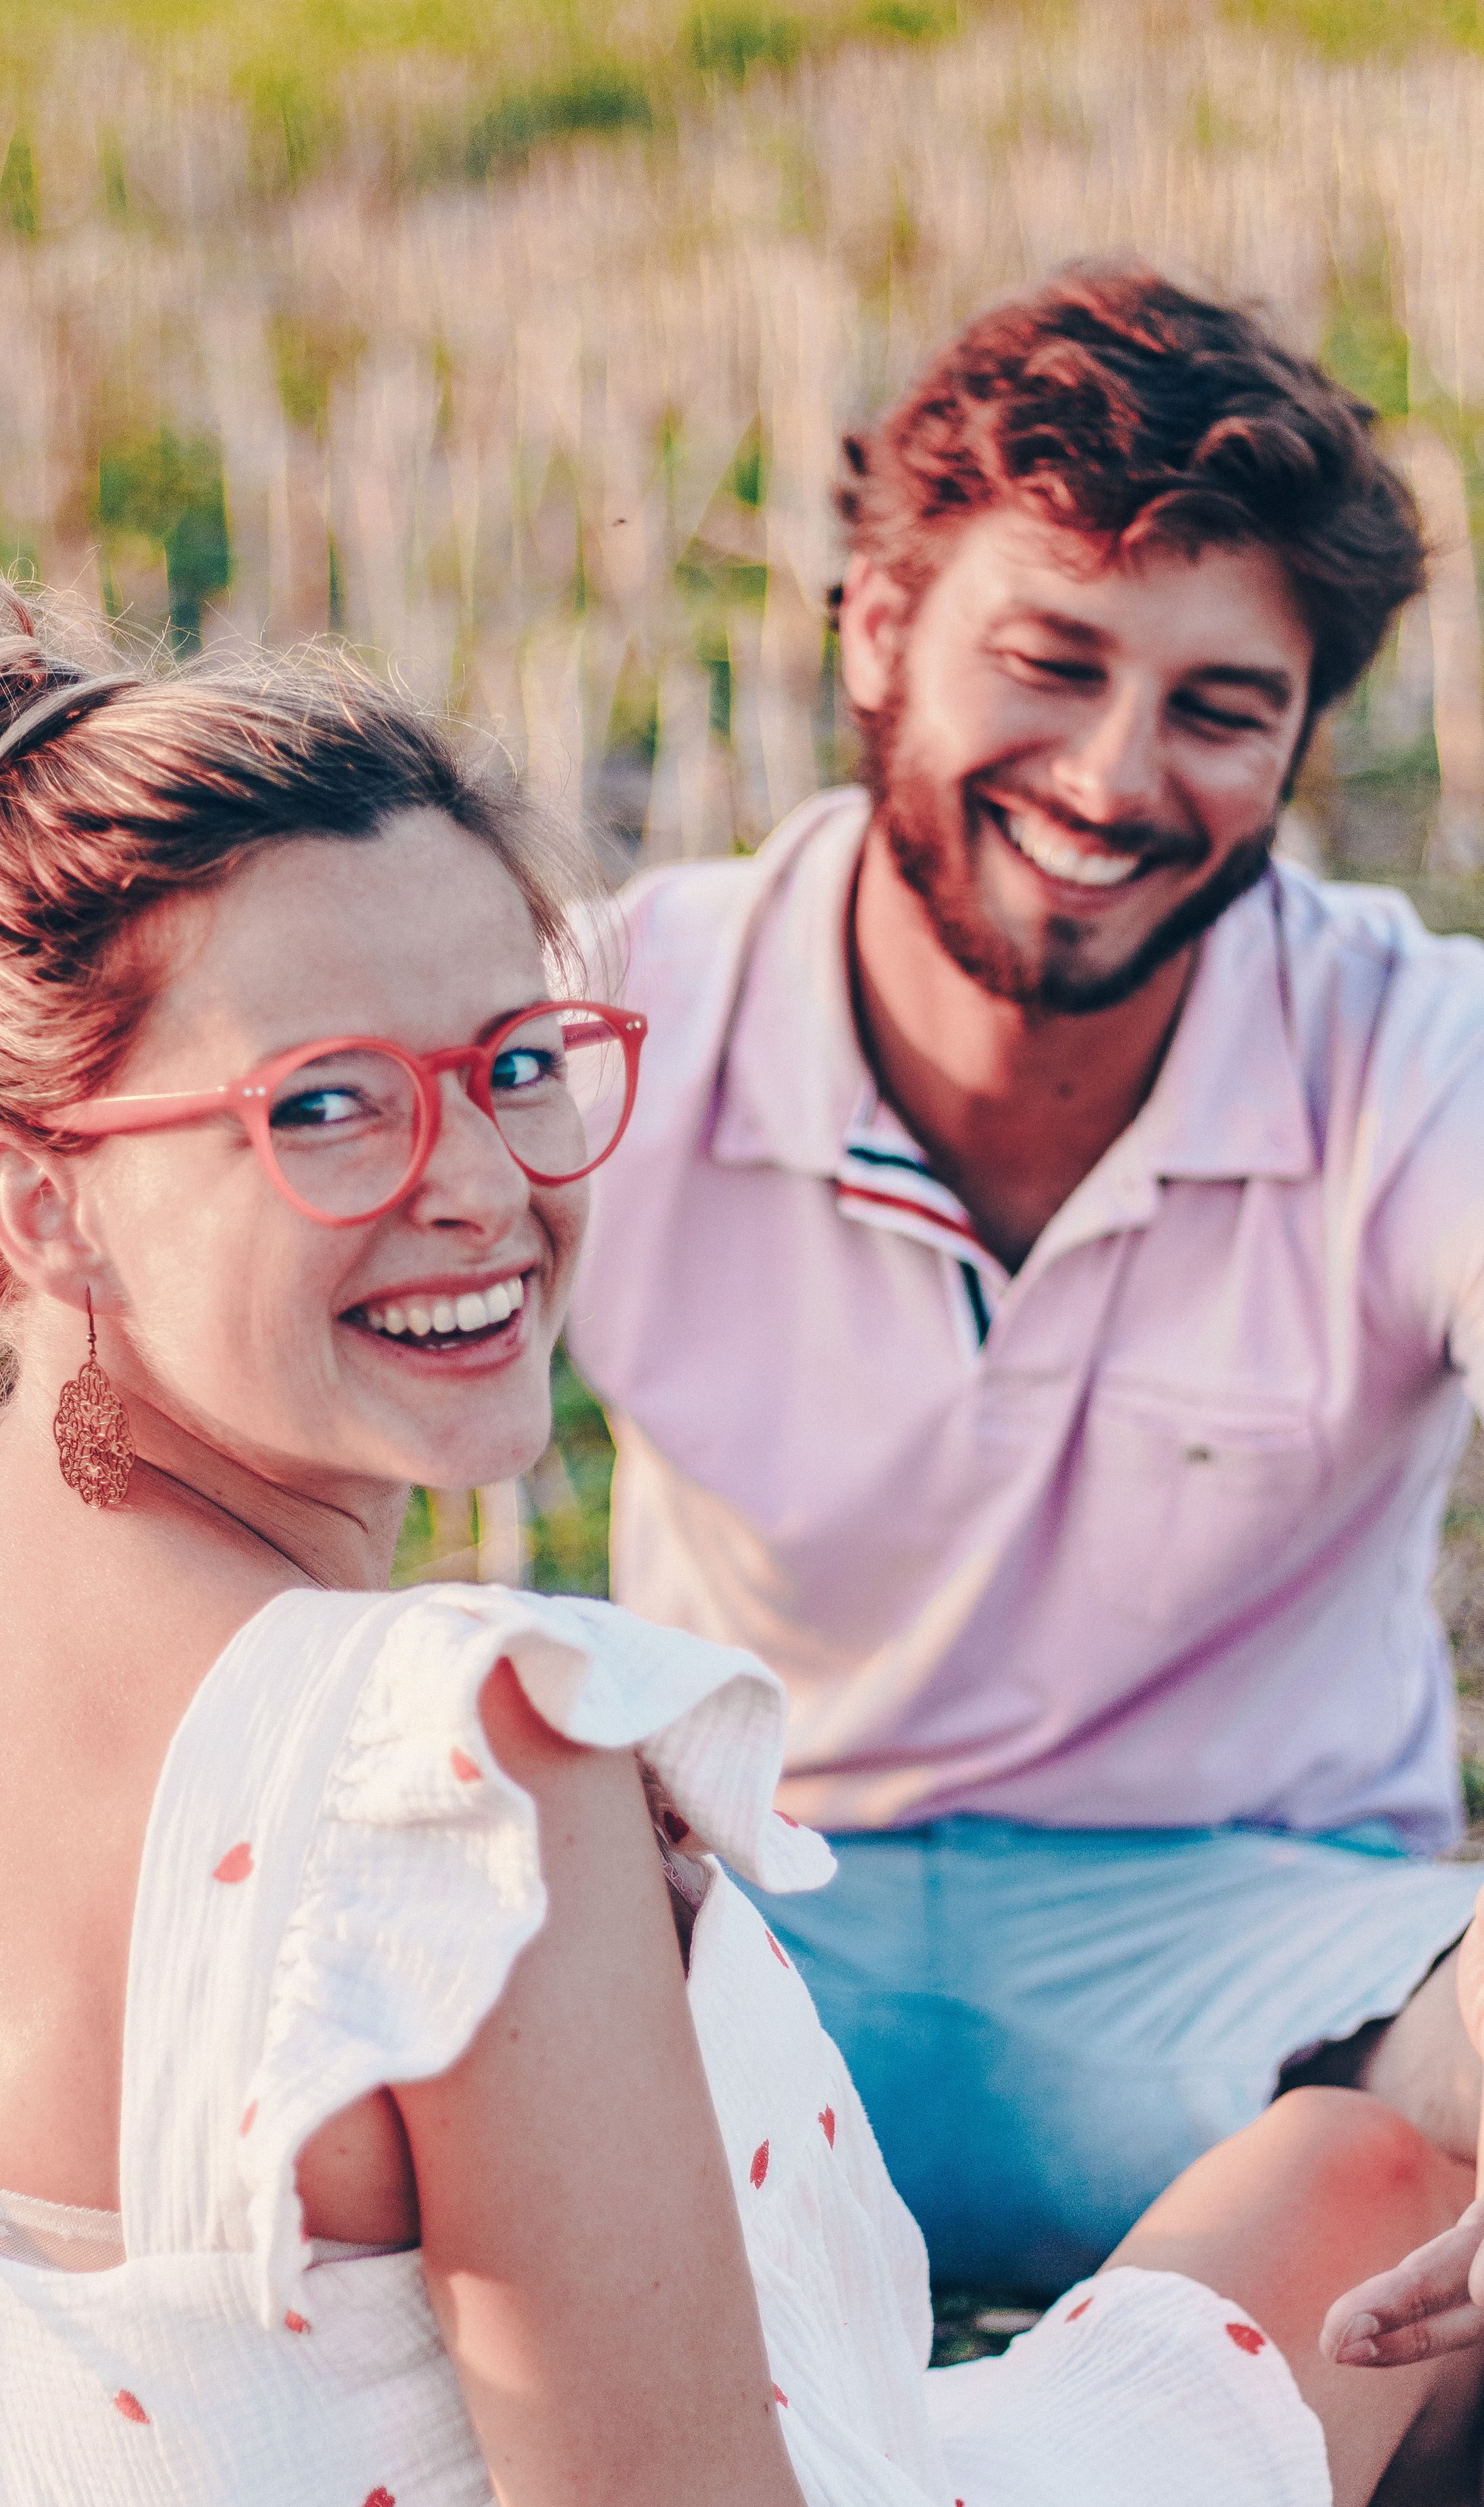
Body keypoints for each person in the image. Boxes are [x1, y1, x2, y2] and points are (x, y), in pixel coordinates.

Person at [0, 565, 1474, 2507]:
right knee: (1377, 2187)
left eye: (515, 1063)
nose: (478, 1183)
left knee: (1339, 2169)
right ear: (33, 1198)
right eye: (323, 1107)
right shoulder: (454, 1771)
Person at [568, 263, 1484, 2296]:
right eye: (1048, 662)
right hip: (739, 1919)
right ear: (880, 628)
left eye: (1219, 709)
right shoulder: (627, 1010)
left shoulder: (1419, 1058)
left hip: (1271, 1973)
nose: (1110, 778)